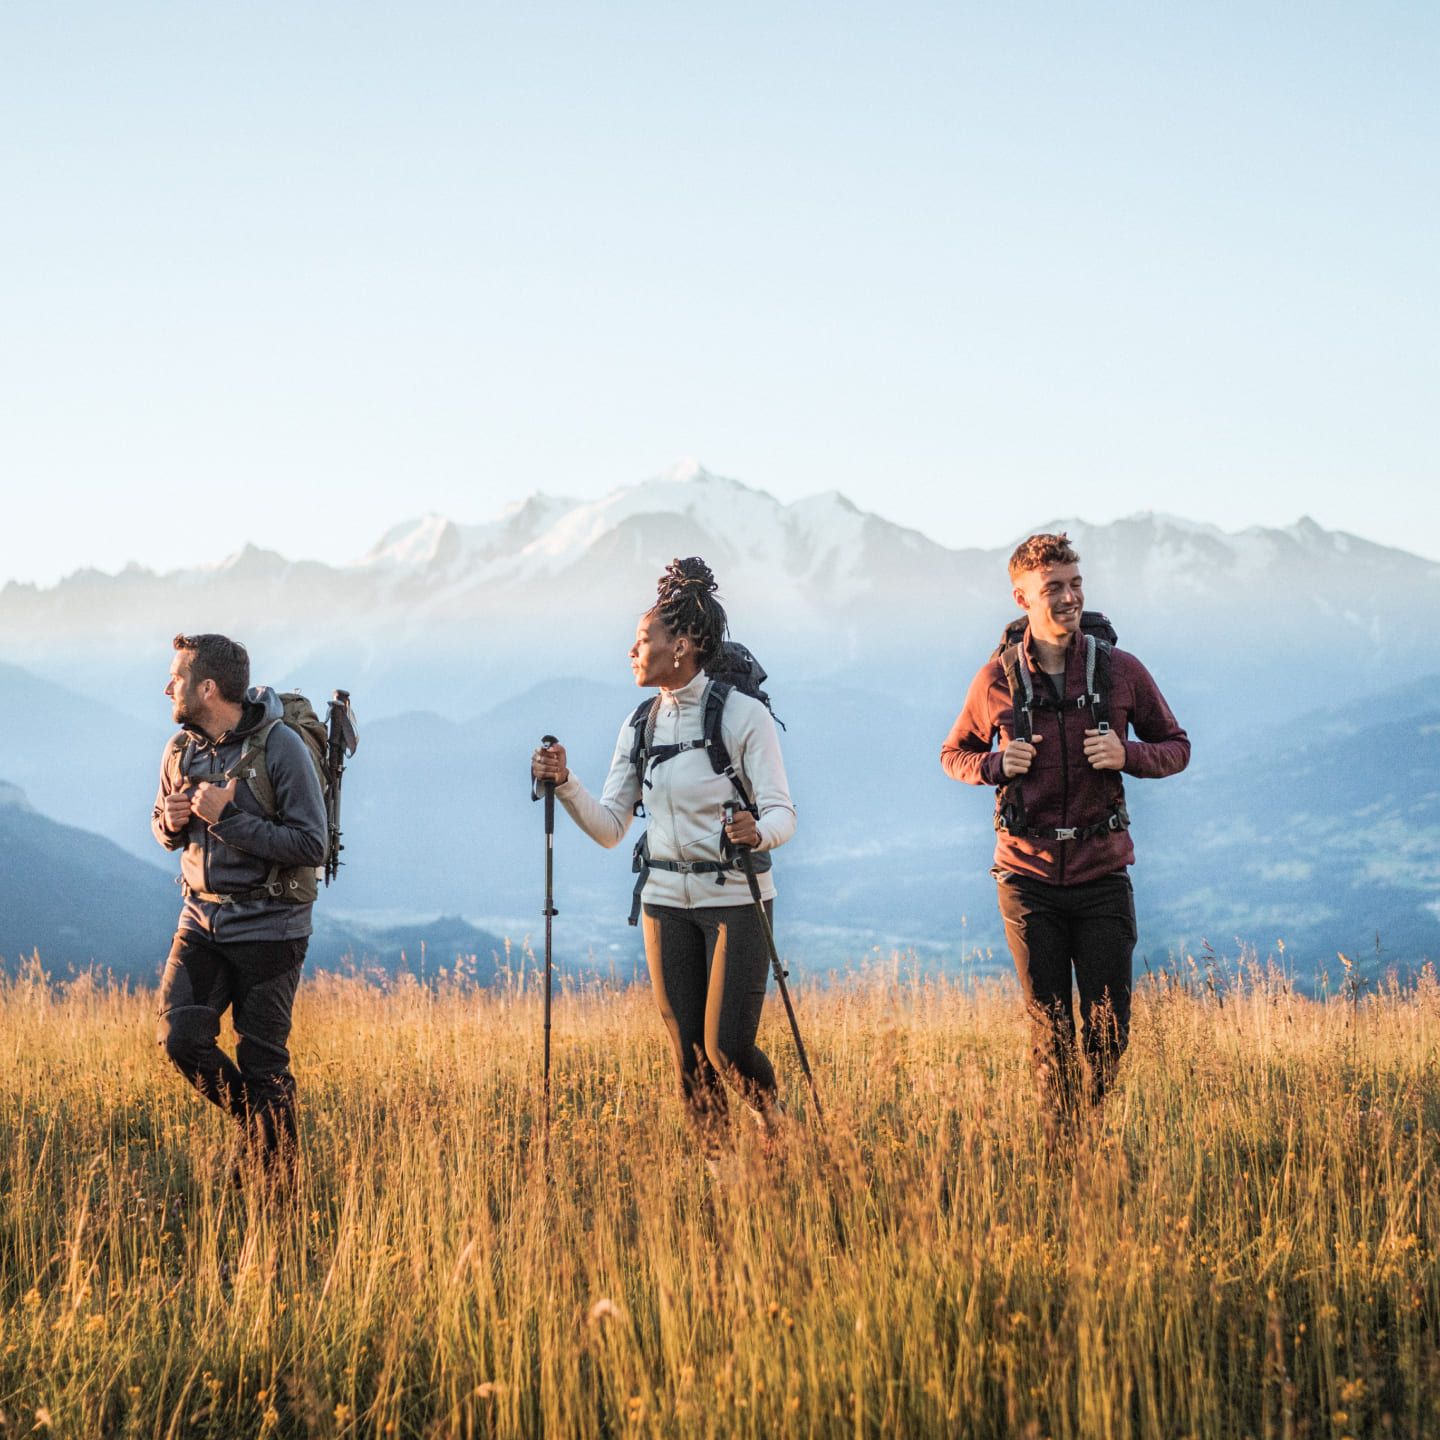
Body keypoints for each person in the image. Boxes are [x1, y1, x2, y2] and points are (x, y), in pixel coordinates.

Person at [530, 558, 797, 1150]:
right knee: (688, 1057)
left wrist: (759, 831)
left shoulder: (742, 716)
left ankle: (776, 1130)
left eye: (642, 639)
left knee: (727, 1049)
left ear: (681, 646)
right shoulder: (640, 725)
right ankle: (720, 1175)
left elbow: (784, 812)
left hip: (735, 901)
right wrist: (565, 781)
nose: (631, 650)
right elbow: (609, 827)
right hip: (663, 904)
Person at [941, 533, 1190, 1131]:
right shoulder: (994, 680)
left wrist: (1125, 753)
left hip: (1102, 872)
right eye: (1054, 587)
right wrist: (996, 766)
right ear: (1022, 596)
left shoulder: (1121, 671)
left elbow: (1177, 748)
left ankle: (1089, 1131)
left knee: (1108, 1030)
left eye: (1075, 583)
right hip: (1026, 877)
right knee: (1049, 1028)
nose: (1069, 596)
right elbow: (953, 754)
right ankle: (1062, 1158)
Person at [152, 633, 327, 1181]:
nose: (167, 687)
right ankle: (257, 1125)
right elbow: (162, 828)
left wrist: (230, 821)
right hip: (200, 919)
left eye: (177, 678)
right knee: (180, 1036)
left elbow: (311, 844)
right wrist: (172, 823)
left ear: (207, 688)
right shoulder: (180, 748)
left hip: (271, 927)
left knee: (263, 1065)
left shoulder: (281, 748)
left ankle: (281, 1208)